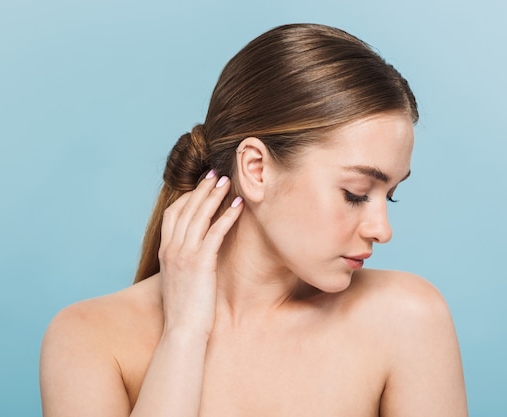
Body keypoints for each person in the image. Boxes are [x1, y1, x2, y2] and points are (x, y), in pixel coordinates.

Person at [40, 23, 468, 416]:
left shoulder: (406, 318)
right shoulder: (88, 339)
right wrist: (184, 334)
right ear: (256, 169)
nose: (382, 229)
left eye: (388, 196)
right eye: (355, 193)